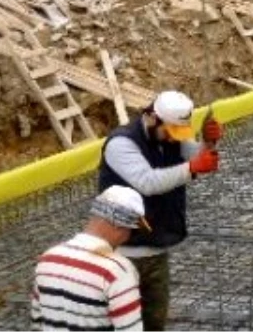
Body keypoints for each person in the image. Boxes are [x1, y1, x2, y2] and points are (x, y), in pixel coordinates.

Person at [97, 90, 222, 331]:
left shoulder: (169, 135)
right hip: (123, 254)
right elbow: (148, 182)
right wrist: (193, 167)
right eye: (171, 132)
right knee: (121, 325)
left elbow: (196, 156)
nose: (174, 139)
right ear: (154, 118)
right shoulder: (121, 144)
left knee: (154, 323)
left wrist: (208, 143)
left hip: (156, 249)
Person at [31, 185, 148, 331]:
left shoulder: (47, 259)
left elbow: (37, 324)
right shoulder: (118, 272)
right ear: (120, 225)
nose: (127, 237)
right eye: (131, 230)